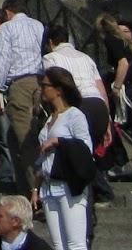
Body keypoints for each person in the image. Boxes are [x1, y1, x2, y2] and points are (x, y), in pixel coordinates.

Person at [0, 0, 46, 192]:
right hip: (40, 82)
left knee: (26, 140)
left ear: (7, 12)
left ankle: (35, 190)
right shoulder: (39, 26)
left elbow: (2, 59)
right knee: (15, 138)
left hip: (19, 84)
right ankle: (24, 187)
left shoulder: (7, 28)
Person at [33, 68, 91, 250]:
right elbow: (42, 157)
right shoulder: (49, 118)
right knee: (59, 245)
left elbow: (86, 148)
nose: (42, 89)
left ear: (58, 89)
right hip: (48, 187)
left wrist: (58, 141)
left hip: (69, 185)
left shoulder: (74, 115)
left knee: (75, 243)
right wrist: (35, 188)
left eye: (45, 85)